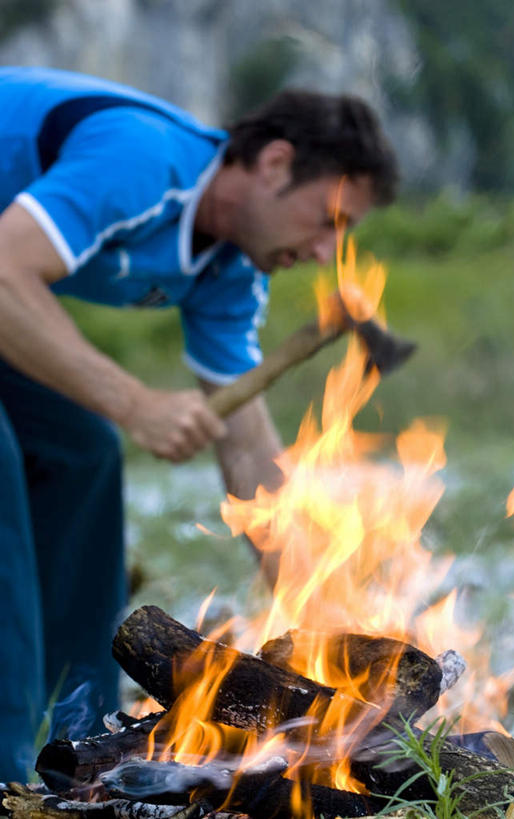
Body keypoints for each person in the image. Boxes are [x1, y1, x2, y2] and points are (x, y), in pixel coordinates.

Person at [0, 66, 397, 781]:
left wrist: (325, 618)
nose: (323, 252)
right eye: (326, 220)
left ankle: (72, 744)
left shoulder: (230, 270)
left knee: (83, 454)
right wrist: (133, 401)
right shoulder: (146, 162)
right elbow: (3, 271)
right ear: (275, 162)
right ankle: (2, 759)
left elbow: (247, 449)